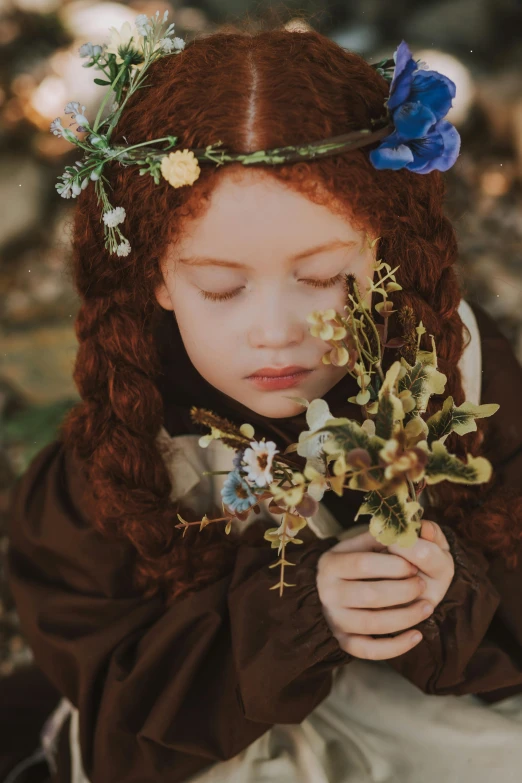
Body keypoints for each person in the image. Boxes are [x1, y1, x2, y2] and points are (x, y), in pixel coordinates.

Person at [4, 14, 522, 783]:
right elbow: (124, 704)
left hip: (417, 720)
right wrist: (297, 613)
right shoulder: (120, 447)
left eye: (320, 279)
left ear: (380, 249)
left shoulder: (457, 371)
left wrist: (448, 593)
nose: (275, 333)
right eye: (221, 287)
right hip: (222, 747)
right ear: (158, 278)